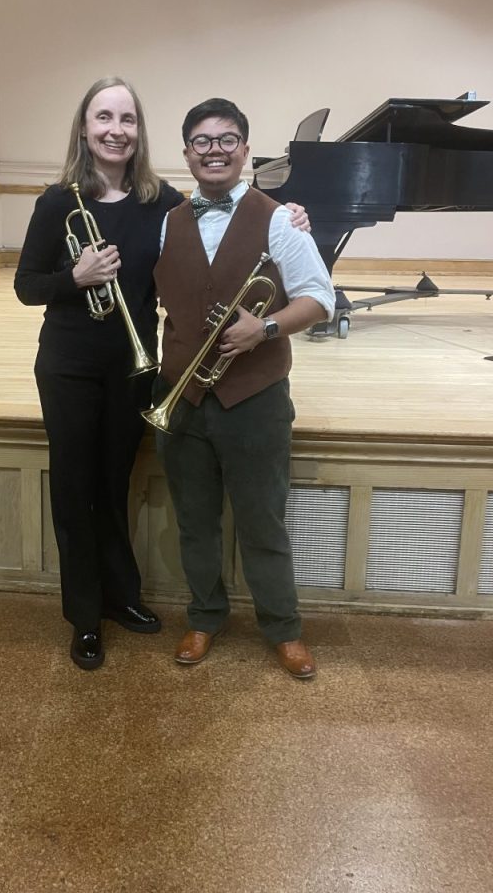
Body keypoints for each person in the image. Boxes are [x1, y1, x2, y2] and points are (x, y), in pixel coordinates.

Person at [15, 78, 312, 672]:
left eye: (126, 119)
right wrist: (75, 278)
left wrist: (293, 215)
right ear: (85, 128)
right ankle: (85, 616)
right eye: (103, 117)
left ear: (140, 131)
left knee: (115, 484)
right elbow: (27, 286)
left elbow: (223, 221)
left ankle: (121, 596)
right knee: (74, 489)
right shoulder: (57, 202)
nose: (115, 130)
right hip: (69, 365)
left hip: (132, 366)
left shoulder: (162, 204)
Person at [152, 97, 336, 680]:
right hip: (182, 395)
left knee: (263, 522)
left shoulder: (279, 218)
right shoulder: (168, 221)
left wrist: (267, 328)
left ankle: (283, 628)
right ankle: (204, 617)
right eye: (202, 141)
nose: (215, 151)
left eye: (227, 139)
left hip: (254, 398)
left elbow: (320, 298)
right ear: (187, 153)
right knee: (194, 521)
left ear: (245, 150)